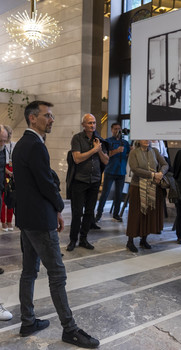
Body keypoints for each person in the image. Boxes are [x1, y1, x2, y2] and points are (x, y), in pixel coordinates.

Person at [12, 101, 99, 347]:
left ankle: (28, 320)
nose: (51, 120)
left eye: (51, 116)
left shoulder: (21, 144)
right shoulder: (35, 146)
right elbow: (46, 185)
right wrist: (59, 207)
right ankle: (69, 329)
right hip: (40, 221)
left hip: (27, 219)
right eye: (47, 115)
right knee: (57, 273)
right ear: (32, 118)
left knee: (29, 271)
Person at [67, 114, 109, 252]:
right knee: (77, 212)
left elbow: (106, 161)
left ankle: (83, 239)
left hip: (95, 180)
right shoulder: (77, 138)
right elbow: (77, 158)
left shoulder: (99, 140)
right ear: (83, 124)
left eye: (94, 123)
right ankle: (73, 240)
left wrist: (100, 151)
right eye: (89, 123)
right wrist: (94, 150)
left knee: (89, 212)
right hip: (79, 181)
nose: (92, 125)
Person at [126, 140, 168, 252]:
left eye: (148, 138)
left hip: (153, 187)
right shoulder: (134, 153)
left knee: (148, 213)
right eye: (144, 138)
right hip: (137, 186)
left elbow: (165, 164)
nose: (146, 140)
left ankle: (144, 239)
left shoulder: (155, 151)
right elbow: (135, 169)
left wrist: (161, 173)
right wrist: (153, 174)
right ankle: (130, 241)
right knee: (136, 215)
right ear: (139, 140)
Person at [96, 122, 130, 222]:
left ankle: (116, 214)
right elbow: (106, 155)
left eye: (119, 128)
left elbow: (129, 153)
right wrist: (117, 150)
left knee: (119, 194)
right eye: (115, 129)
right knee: (105, 193)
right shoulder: (107, 141)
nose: (117, 131)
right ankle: (98, 214)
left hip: (121, 172)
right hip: (110, 171)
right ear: (111, 130)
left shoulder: (125, 142)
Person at [1, 125, 15, 232]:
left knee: (10, 198)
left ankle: (9, 221)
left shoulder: (10, 146)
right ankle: (3, 222)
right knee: (3, 200)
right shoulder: (2, 147)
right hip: (5, 173)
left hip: (9, 175)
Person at [0, 126, 9, 277]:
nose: (2, 143)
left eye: (4, 141)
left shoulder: (3, 150)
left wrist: (10, 173)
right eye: (0, 141)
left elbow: (2, 168)